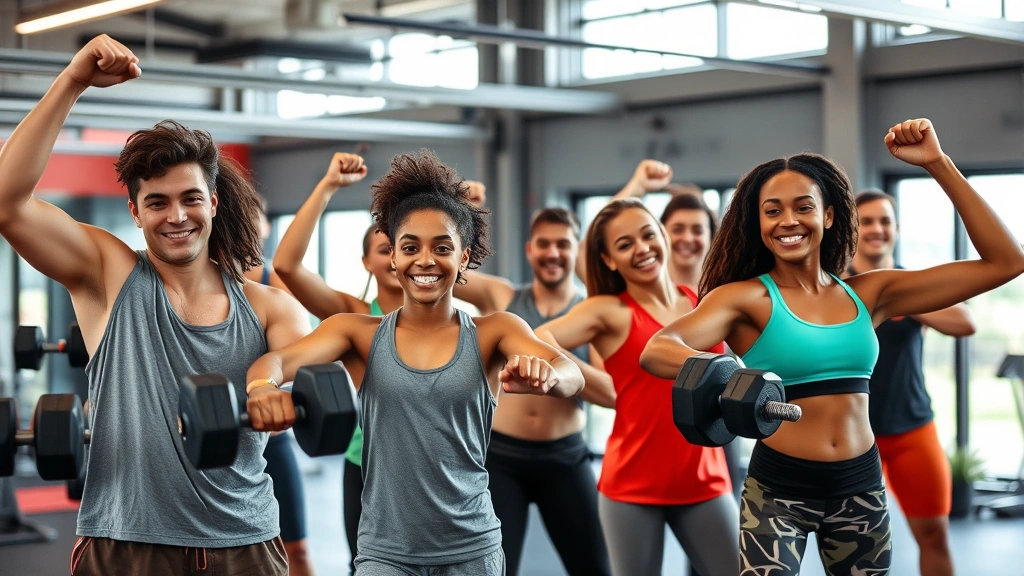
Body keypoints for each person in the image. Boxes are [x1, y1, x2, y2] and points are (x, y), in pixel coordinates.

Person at [640, 119, 1024, 575]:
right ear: (757, 221)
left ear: (827, 215)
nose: (788, 221)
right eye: (772, 211)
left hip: (859, 483)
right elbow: (659, 348)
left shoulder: (871, 293)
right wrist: (724, 370)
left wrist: (938, 164)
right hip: (777, 488)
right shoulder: (744, 298)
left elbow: (1006, 261)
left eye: (803, 207)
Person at [0, 35, 311, 575]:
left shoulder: (269, 308)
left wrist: (277, 395)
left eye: (191, 198)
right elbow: (7, 204)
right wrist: (72, 81)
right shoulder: (109, 274)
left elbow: (300, 374)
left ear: (212, 202)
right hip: (126, 542)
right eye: (157, 202)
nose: (177, 216)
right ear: (135, 210)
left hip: (244, 544)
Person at [249, 149, 585, 575]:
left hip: (471, 550)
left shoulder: (496, 331)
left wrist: (550, 375)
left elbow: (572, 374)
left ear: (463, 258)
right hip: (386, 554)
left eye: (442, 247)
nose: (425, 260)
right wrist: (263, 389)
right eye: (410, 247)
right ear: (392, 256)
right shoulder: (357, 332)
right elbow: (274, 362)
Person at [535, 199, 738, 576]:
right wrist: (587, 379)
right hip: (631, 486)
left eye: (648, 235)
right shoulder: (608, 311)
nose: (642, 249)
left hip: (704, 479)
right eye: (625, 244)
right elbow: (539, 337)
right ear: (609, 260)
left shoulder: (702, 302)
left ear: (662, 234)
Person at [452, 207, 615, 576]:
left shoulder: (593, 313)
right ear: (530, 249)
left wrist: (555, 358)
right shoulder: (503, 297)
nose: (552, 253)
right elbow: (449, 263)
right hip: (502, 459)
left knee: (595, 568)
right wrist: (462, 210)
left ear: (576, 250)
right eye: (544, 244)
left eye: (563, 244)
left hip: (566, 459)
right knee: (494, 569)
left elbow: (612, 394)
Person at [848, 189, 975, 576]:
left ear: (896, 229)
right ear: (852, 229)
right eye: (866, 221)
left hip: (911, 429)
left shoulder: (910, 284)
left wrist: (899, 296)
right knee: (854, 549)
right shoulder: (835, 288)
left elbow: (965, 322)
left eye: (885, 221)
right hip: (852, 437)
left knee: (934, 534)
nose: (876, 229)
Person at [245, 198, 316, 576]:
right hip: (212, 436)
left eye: (252, 217)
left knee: (297, 550)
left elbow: (294, 356)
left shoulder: (279, 287)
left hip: (272, 437)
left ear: (265, 226)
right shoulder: (203, 284)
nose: (245, 225)